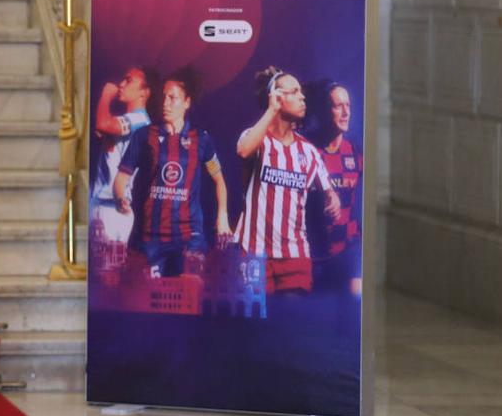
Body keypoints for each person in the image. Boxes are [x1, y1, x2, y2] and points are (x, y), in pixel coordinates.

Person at [114, 68, 231, 278]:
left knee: (189, 297)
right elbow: (122, 177)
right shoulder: (144, 135)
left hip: (190, 238)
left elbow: (219, 181)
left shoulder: (201, 139)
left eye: (173, 98)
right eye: (164, 97)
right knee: (146, 300)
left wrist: (222, 217)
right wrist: (120, 197)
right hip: (151, 238)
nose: (165, 103)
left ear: (187, 102)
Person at [234, 67, 341, 295]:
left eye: (301, 92)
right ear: (277, 98)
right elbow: (243, 150)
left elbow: (328, 187)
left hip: (294, 256)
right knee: (255, 327)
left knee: (290, 323)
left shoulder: (308, 151)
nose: (302, 97)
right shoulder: (257, 139)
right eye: (294, 92)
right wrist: (272, 110)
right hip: (254, 253)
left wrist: (332, 198)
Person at [306, 82, 363, 296]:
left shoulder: (355, 150)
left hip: (348, 250)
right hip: (311, 253)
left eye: (348, 105)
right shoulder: (306, 148)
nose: (346, 112)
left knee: (355, 302)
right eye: (338, 106)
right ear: (323, 110)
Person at [90, 67, 155, 246]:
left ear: (144, 92)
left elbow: (103, 123)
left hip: (114, 207)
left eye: (128, 80)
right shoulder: (131, 119)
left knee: (107, 267)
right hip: (102, 203)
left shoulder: (140, 121)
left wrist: (105, 95)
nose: (121, 84)